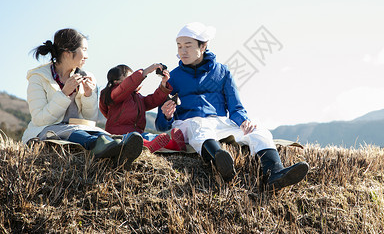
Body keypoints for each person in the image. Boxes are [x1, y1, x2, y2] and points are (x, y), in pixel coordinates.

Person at [155, 22, 309, 190]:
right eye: (179, 46)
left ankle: (275, 173)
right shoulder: (171, 78)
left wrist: (244, 121)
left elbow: (236, 107)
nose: (182, 51)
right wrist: (167, 116)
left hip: (220, 123)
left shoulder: (223, 72)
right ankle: (221, 163)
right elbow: (160, 125)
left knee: (259, 131)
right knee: (198, 127)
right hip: (188, 123)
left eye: (188, 46)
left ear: (203, 46)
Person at [22, 28, 143, 167]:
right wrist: (64, 93)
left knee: (95, 134)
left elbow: (90, 119)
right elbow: (39, 119)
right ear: (67, 52)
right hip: (46, 131)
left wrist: (88, 95)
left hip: (79, 128)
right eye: (84, 50)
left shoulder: (87, 76)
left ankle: (119, 149)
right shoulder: (38, 77)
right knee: (78, 134)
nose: (87, 56)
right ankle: (101, 146)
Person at [99, 64, 186, 152]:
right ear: (116, 82)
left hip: (138, 134)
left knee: (151, 136)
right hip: (119, 136)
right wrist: (145, 72)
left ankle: (174, 145)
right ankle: (147, 145)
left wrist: (163, 84)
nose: (135, 81)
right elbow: (125, 87)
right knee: (135, 139)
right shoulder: (114, 95)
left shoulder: (137, 97)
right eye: (130, 77)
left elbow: (153, 100)